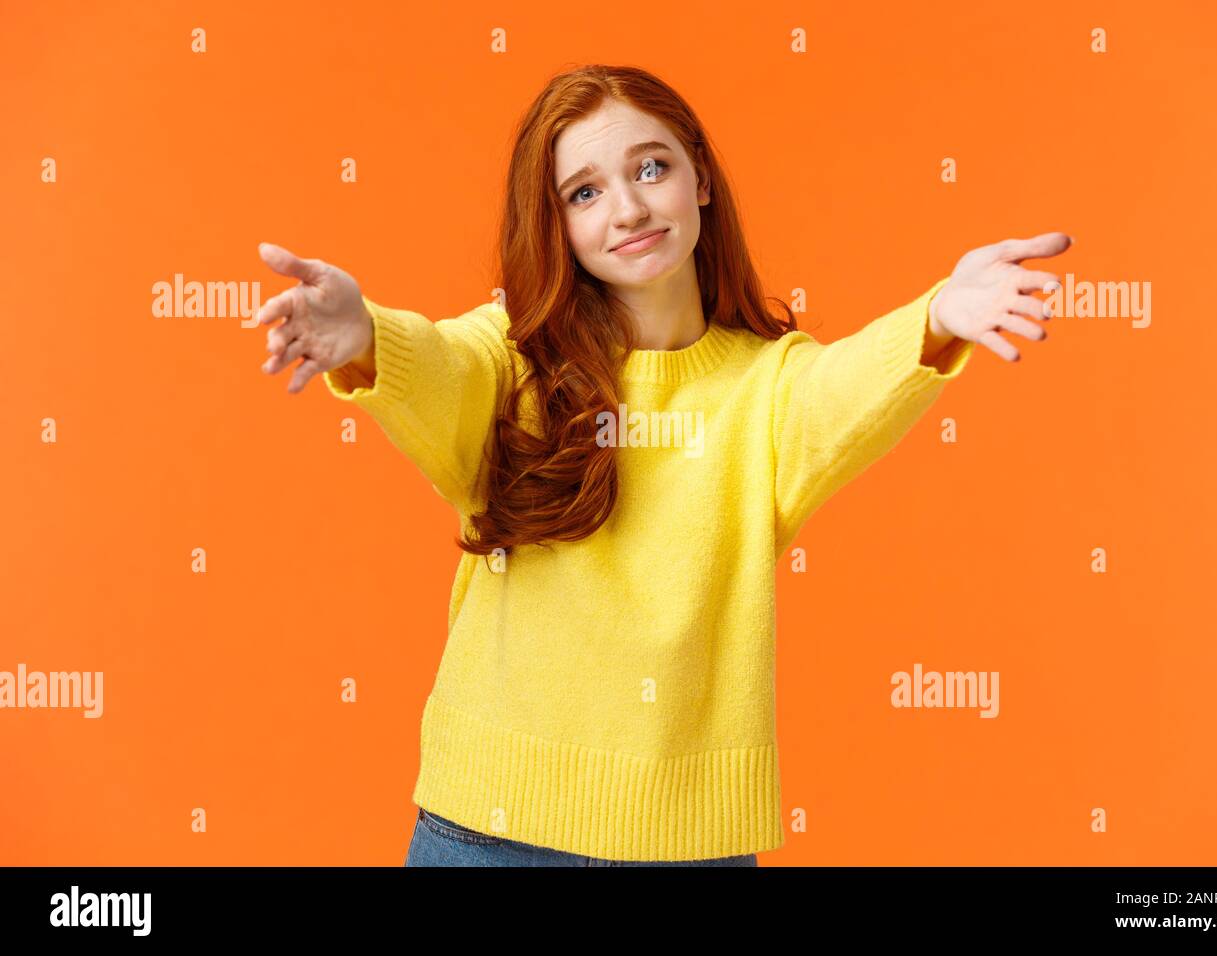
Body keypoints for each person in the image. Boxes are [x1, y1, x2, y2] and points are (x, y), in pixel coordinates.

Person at [253, 64, 1070, 866]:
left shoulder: (767, 385)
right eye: (586, 191)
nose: (630, 208)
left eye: (652, 166)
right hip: (485, 833)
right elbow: (438, 366)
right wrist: (364, 334)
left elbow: (839, 390)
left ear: (701, 180)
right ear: (557, 223)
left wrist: (938, 316)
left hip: (687, 848)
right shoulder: (507, 358)